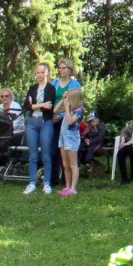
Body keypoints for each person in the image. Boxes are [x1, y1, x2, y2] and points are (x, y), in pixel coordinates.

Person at [23, 63, 57, 195]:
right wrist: (41, 104)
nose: (39, 75)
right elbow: (27, 106)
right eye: (37, 72)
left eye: (42, 72)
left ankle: (47, 183)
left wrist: (35, 105)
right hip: (32, 123)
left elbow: (49, 105)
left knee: (46, 154)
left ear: (47, 73)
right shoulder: (32, 88)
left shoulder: (51, 88)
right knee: (32, 154)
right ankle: (32, 182)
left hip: (45, 123)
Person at [49, 57, 82, 185]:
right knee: (54, 150)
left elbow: (76, 104)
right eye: (60, 68)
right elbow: (52, 101)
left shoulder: (75, 85)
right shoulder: (54, 84)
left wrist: (62, 115)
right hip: (53, 119)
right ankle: (54, 178)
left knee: (68, 151)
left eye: (64, 68)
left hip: (67, 120)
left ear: (70, 70)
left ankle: (67, 182)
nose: (61, 70)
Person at [58, 88, 84, 195]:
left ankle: (73, 188)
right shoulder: (68, 108)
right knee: (65, 164)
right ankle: (67, 186)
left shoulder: (79, 111)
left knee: (73, 164)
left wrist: (67, 109)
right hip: (63, 137)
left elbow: (69, 121)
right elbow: (55, 110)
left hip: (71, 139)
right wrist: (62, 100)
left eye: (68, 97)